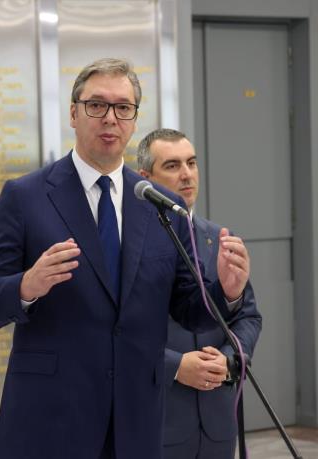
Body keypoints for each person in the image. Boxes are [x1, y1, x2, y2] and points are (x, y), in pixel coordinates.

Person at [0, 58, 257, 459]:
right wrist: (26, 286)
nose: (110, 118)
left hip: (135, 424)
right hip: (50, 422)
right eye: (97, 105)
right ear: (73, 113)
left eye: (123, 107)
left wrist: (227, 291)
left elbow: (190, 309)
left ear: (134, 120)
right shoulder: (26, 197)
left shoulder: (161, 205)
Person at [137, 128, 261, 459]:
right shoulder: (129, 245)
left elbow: (248, 316)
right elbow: (117, 333)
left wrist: (229, 359)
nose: (187, 174)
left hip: (218, 422)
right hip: (159, 418)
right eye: (172, 165)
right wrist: (176, 366)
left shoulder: (220, 238)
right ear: (145, 179)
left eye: (191, 163)